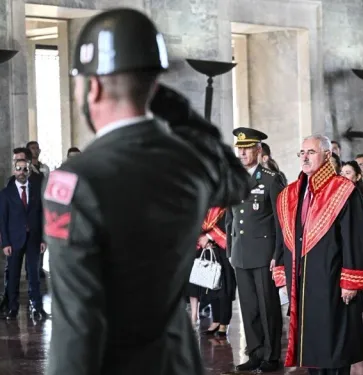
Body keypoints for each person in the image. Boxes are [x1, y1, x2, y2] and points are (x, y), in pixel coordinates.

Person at [43, 8, 249, 375]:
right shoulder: (188, 161)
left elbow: (77, 323)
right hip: (178, 362)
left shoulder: (76, 181)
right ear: (155, 86)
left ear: (94, 86)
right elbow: (236, 181)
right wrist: (178, 110)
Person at [272, 134, 363, 375]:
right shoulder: (291, 193)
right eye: (302, 153)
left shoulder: (343, 190)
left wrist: (351, 280)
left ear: (327, 155)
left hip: (332, 277)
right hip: (303, 281)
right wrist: (283, 271)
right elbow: (283, 236)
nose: (305, 158)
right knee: (311, 341)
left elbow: (355, 238)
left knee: (335, 340)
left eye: (311, 152)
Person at [226, 127, 285, 373]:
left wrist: (277, 254)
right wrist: (231, 249)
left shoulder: (272, 178)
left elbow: (281, 221)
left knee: (267, 306)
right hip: (241, 252)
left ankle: (271, 356)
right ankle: (255, 352)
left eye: (247, 148)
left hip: (264, 252)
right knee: (249, 307)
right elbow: (230, 217)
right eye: (239, 148)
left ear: (258, 149)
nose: (242, 153)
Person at [0, 159, 47, 320]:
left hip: (33, 239)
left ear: (29, 171)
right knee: (13, 275)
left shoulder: (35, 191)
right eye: (18, 169)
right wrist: (5, 242)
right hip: (14, 241)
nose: (22, 172)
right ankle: (12, 307)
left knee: (34, 275)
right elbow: (2, 220)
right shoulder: (6, 193)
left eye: (25, 169)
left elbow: (41, 216)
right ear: (14, 171)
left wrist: (43, 239)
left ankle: (37, 306)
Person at [197, 207, 235, 337]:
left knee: (224, 287)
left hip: (224, 249)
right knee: (211, 285)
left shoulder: (225, 203)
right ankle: (216, 319)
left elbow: (228, 222)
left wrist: (209, 236)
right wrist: (202, 237)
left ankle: (224, 321)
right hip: (209, 249)